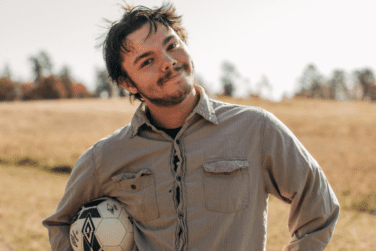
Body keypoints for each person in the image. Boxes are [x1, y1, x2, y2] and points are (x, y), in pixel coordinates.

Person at [43, 3, 340, 251]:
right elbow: (60, 225)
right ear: (128, 83)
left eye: (172, 46)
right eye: (147, 61)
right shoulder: (105, 156)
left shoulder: (255, 129)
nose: (169, 62)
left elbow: (319, 205)